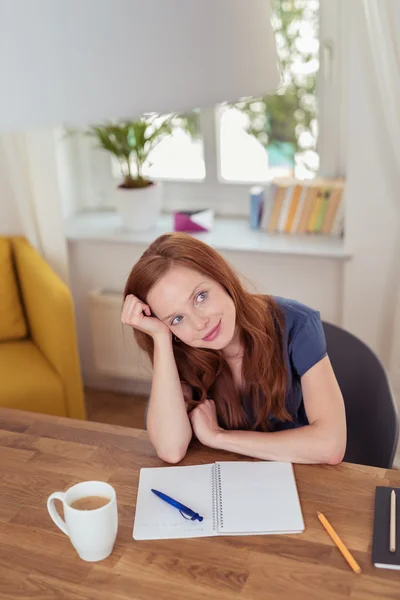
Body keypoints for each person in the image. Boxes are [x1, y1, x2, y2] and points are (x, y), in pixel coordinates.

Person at [121, 232, 346, 465]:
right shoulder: (180, 347)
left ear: (221, 277)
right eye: (177, 318)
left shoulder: (297, 323)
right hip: (221, 482)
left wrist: (220, 437)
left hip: (297, 476)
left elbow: (330, 445)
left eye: (200, 296)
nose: (199, 324)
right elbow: (170, 449)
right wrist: (160, 337)